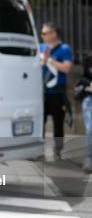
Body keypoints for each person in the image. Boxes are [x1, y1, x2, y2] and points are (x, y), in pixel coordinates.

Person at [40, 22, 73, 158]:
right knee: (40, 122)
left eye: (45, 33)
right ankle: (38, 149)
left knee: (58, 123)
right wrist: (43, 61)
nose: (42, 36)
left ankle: (58, 150)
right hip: (42, 92)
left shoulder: (65, 49)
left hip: (57, 93)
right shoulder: (41, 47)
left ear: (54, 33)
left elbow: (66, 68)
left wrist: (49, 60)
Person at [74, 54, 92, 173]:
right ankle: (89, 160)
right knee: (90, 130)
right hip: (89, 101)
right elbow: (77, 92)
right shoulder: (84, 80)